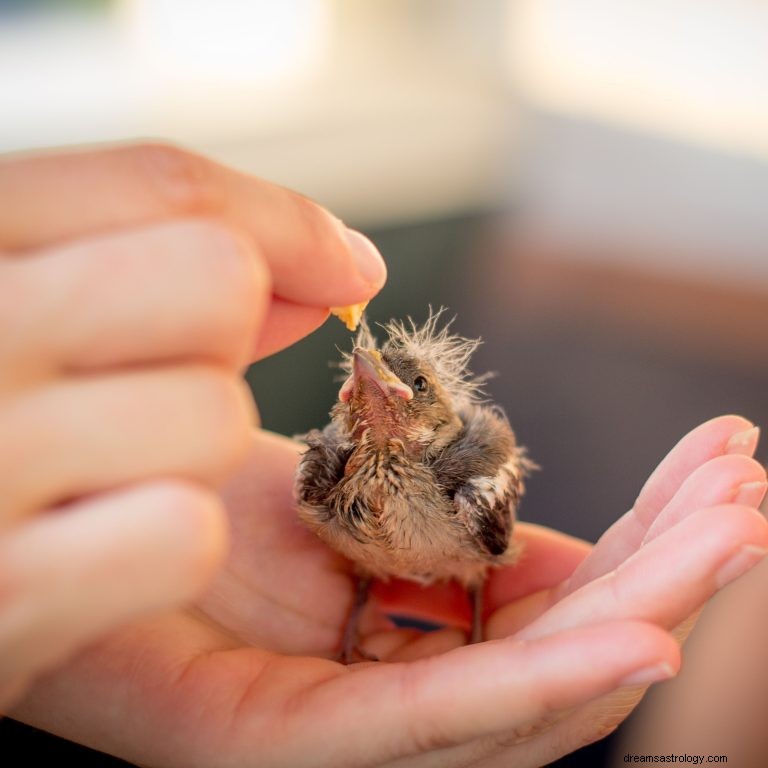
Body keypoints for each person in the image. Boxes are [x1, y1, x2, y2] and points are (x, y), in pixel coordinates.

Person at [1, 142, 766, 767]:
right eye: (357, 388)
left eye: (410, 386)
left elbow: (485, 546)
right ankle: (354, 627)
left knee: (488, 593)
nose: (375, 389)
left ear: (433, 409)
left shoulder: (470, 477)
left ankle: (469, 624)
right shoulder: (325, 471)